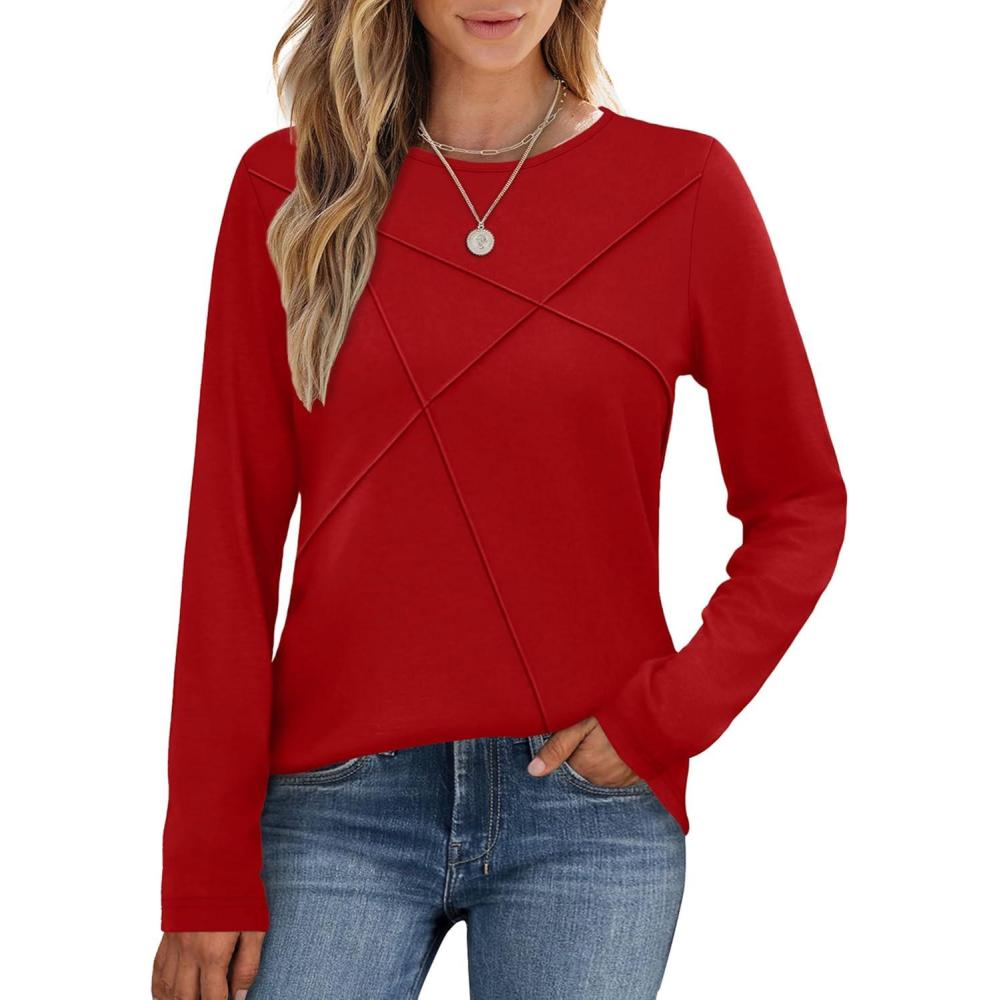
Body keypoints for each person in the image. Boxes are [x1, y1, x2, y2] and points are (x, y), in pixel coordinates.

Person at [151, 2, 848, 998]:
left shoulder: (683, 187)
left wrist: (668, 716)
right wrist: (203, 865)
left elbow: (801, 501)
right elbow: (230, 538)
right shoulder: (291, 184)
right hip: (334, 805)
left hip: (586, 815)